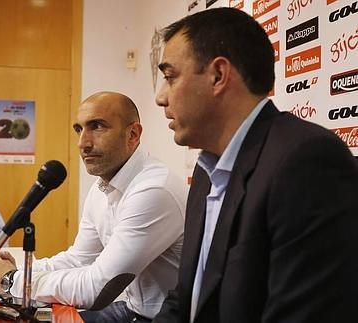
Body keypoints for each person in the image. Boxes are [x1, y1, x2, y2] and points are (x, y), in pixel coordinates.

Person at [153, 8, 358, 323]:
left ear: (218, 75)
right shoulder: (206, 173)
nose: (160, 98)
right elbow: (186, 299)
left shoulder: (306, 162)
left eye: (170, 77)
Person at [0, 91, 187, 322]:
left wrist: (12, 280)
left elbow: (97, 288)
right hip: (132, 309)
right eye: (79, 129)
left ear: (132, 134)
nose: (82, 143)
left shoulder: (152, 190)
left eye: (97, 126)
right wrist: (22, 271)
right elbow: (79, 258)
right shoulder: (102, 187)